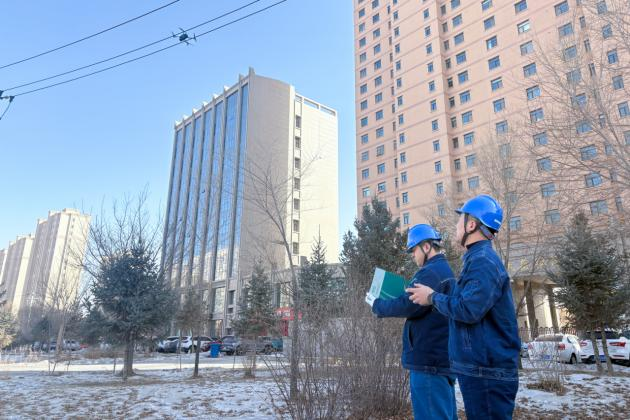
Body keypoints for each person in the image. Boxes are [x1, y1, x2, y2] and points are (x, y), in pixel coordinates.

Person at [406, 195, 520, 420]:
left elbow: (468, 309)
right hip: (481, 370)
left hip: (487, 372)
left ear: (471, 225)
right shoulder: (477, 259)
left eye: (460, 220)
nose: (456, 225)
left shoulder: (483, 261)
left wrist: (432, 297)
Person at [368, 224, 457, 420]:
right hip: (439, 361)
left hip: (429, 364)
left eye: (414, 250)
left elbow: (408, 305)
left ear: (426, 247)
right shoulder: (442, 270)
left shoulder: (430, 272)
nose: (412, 256)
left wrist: (377, 305)